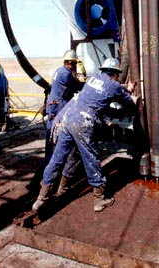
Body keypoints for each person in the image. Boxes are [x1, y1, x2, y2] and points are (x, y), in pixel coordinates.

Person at [33, 57, 138, 213]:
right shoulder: (114, 85)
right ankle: (99, 199)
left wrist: (123, 89)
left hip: (68, 118)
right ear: (115, 74)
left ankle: (41, 198)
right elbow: (128, 102)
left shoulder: (94, 78)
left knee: (58, 158)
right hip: (84, 121)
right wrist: (131, 97)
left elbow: (101, 90)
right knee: (91, 158)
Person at [45, 49, 85, 160]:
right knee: (56, 135)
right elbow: (77, 86)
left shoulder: (60, 70)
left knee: (51, 135)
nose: (75, 66)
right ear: (71, 63)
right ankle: (53, 162)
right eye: (75, 63)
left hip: (53, 106)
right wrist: (87, 83)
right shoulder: (66, 74)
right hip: (58, 108)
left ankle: (49, 159)